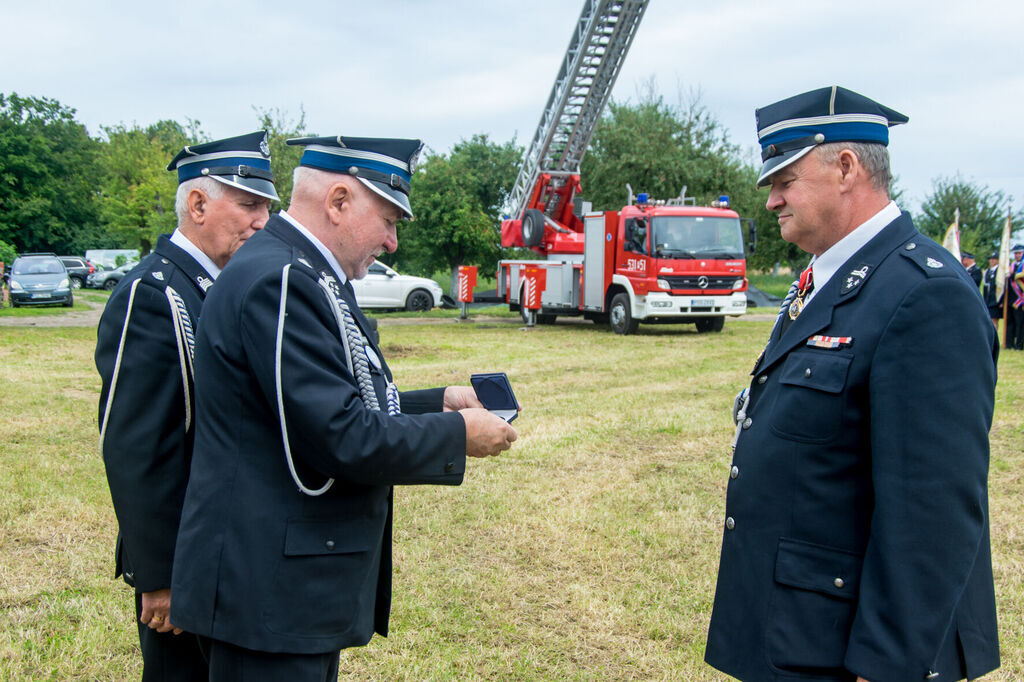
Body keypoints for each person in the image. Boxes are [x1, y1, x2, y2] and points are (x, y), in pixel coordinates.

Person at [169, 135, 517, 680]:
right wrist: (456, 434)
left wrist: (439, 402)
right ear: (337, 202)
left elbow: (337, 397)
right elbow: (340, 435)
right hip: (267, 591)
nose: (393, 242)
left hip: (279, 588)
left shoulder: (301, 271)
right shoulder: (284, 279)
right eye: (388, 219)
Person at [704, 87, 1000, 682]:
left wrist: (886, 666)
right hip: (801, 631)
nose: (773, 200)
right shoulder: (830, 279)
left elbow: (932, 513)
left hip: (849, 652)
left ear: (845, 168)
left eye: (784, 179)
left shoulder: (924, 293)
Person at [95, 131, 278, 681]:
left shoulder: (215, 285)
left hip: (224, 548)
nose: (262, 221)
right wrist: (160, 576)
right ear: (197, 204)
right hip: (183, 564)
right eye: (248, 205)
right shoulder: (155, 293)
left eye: (266, 207)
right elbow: (136, 444)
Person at [1006, 244, 1024, 350]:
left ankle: (1019, 345)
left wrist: (1012, 274)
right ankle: (1009, 343)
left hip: (1021, 299)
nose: (1017, 255)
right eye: (1016, 253)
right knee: (1010, 322)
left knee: (1020, 324)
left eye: (1019, 253)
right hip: (1011, 298)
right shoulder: (1011, 266)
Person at [982, 252, 1002, 327]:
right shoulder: (987, 271)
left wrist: (1001, 301)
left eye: (994, 259)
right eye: (991, 259)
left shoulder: (999, 271)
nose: (992, 261)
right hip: (988, 299)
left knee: (994, 319)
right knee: (988, 319)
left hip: (995, 300)